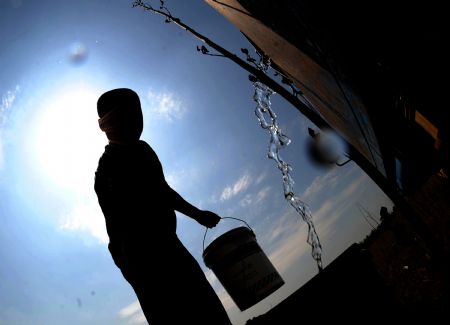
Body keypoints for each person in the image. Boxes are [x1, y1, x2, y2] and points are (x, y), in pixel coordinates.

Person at [94, 88, 232, 324]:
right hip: (142, 257)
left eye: (138, 114)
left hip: (167, 242)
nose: (137, 121)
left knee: (205, 306)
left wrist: (197, 214)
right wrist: (196, 214)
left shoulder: (143, 150)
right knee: (172, 313)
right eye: (129, 116)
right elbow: (156, 193)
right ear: (109, 125)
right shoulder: (109, 168)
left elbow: (162, 189)